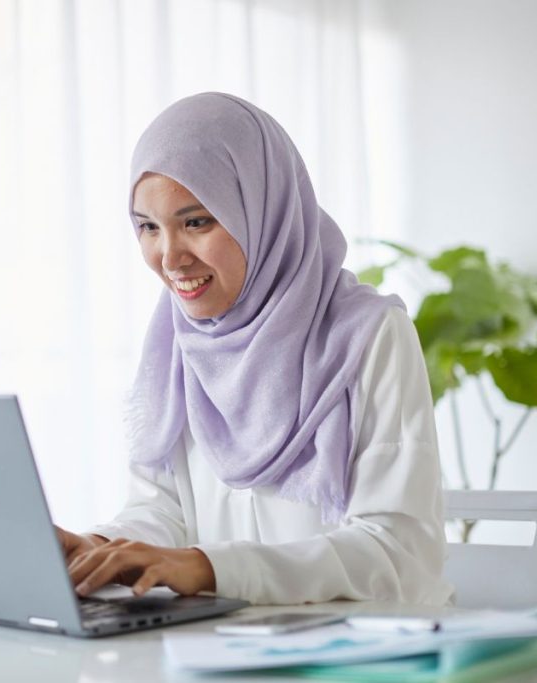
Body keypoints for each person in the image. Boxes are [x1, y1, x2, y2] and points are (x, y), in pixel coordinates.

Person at [56, 93, 453, 606]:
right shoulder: (175, 344)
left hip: (359, 654)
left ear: (263, 211)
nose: (169, 257)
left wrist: (209, 568)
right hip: (226, 649)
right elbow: (163, 512)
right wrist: (103, 549)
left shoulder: (369, 334)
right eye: (148, 228)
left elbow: (398, 554)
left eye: (196, 221)